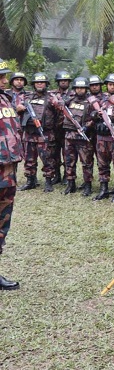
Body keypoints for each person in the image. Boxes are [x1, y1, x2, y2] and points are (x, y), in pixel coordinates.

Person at [0, 59, 24, 291]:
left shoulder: (6, 100)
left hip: (8, 170)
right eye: (1, 77)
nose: (5, 80)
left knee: (2, 221)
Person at [16, 73, 61, 192]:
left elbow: (60, 115)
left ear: (46, 84)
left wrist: (52, 128)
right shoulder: (27, 97)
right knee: (29, 159)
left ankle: (48, 182)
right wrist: (19, 108)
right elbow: (17, 109)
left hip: (45, 134)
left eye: (42, 82)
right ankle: (30, 181)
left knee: (47, 159)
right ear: (34, 84)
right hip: (30, 134)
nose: (39, 84)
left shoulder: (52, 98)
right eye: (37, 82)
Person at [60, 77, 96, 196]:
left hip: (84, 137)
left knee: (86, 162)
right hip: (69, 136)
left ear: (86, 89)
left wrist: (87, 126)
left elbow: (95, 118)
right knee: (69, 161)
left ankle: (87, 185)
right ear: (74, 89)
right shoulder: (69, 101)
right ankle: (71, 184)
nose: (80, 90)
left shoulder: (91, 102)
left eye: (82, 88)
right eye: (78, 88)